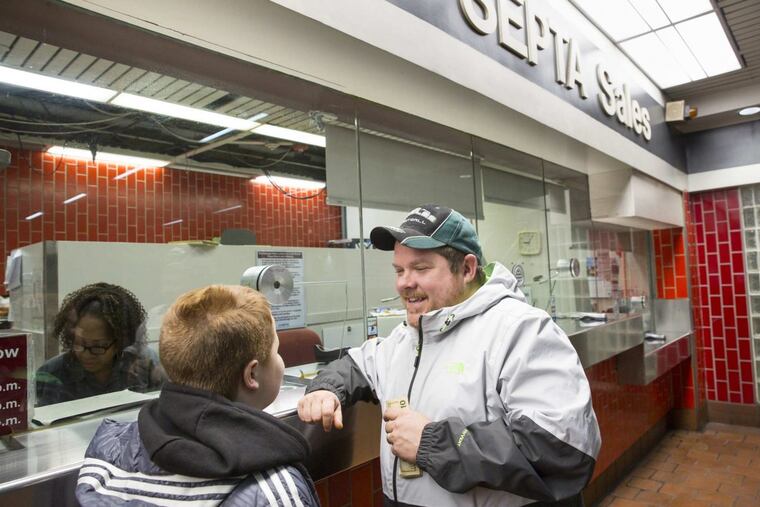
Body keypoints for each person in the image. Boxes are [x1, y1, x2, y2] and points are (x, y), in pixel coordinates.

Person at [298, 204, 601, 507]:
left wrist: (434, 443)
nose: (405, 282)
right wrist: (327, 389)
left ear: (467, 269)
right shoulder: (408, 336)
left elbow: (561, 446)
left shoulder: (521, 330)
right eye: (399, 270)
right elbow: (356, 365)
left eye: (421, 268)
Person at [76, 284, 319, 506]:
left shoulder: (107, 453)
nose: (280, 360)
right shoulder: (273, 490)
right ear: (252, 374)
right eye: (276, 352)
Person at [35, 282, 165, 406]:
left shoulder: (145, 364)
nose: (86, 354)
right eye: (79, 343)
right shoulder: (52, 374)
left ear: (121, 342)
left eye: (98, 346)